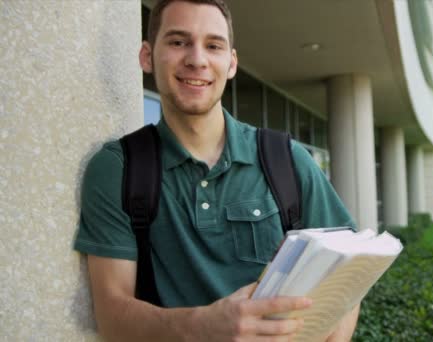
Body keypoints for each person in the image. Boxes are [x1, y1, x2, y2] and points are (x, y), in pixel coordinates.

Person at [73, 0, 361, 340]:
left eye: (213, 45)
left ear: (231, 63)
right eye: (178, 42)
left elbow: (348, 277)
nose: (197, 59)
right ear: (147, 56)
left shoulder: (285, 159)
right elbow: (113, 317)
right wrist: (205, 326)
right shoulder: (118, 168)